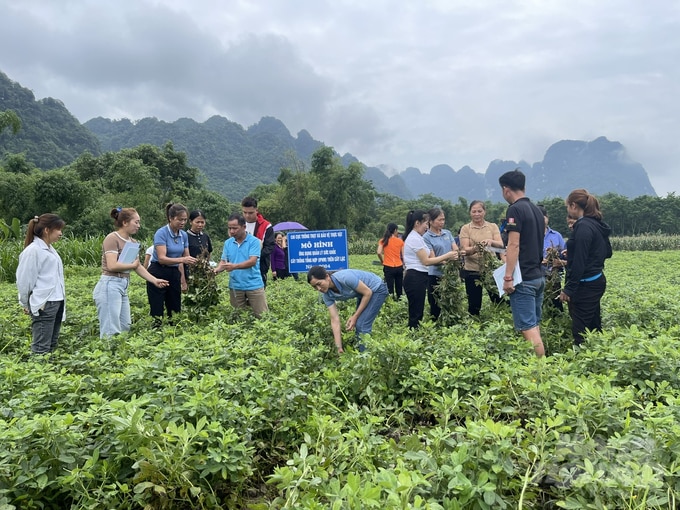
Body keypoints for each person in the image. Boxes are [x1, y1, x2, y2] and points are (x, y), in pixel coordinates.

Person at [93, 208, 169, 338]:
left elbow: (137, 266)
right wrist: (133, 265)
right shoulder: (112, 238)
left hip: (123, 285)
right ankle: (110, 355)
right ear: (125, 222)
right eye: (136, 222)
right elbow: (112, 265)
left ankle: (120, 354)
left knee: (125, 325)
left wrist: (154, 280)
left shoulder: (133, 242)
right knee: (111, 328)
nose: (139, 226)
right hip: (110, 284)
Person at [499, 169, 546, 357]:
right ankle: (537, 365)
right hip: (538, 276)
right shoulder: (536, 210)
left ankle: (543, 371)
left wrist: (508, 277)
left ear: (506, 189)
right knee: (534, 325)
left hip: (523, 278)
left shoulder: (515, 209)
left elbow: (513, 244)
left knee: (527, 328)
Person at [559, 189, 612, 346]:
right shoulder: (597, 224)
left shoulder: (582, 226)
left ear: (573, 206)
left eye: (568, 206)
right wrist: (575, 251)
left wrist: (568, 289)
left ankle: (583, 362)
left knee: (580, 331)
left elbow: (579, 262)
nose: (568, 210)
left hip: (586, 285)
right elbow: (607, 252)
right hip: (597, 280)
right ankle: (601, 353)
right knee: (594, 325)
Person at [307, 266, 388, 353]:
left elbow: (368, 293)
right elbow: (335, 320)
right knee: (359, 324)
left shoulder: (345, 278)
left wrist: (355, 316)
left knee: (362, 324)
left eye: (319, 284)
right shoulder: (327, 295)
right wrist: (339, 347)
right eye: (315, 287)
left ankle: (366, 357)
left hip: (376, 289)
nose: (319, 289)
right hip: (363, 293)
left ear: (327, 277)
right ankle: (361, 351)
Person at [16, 214, 66, 355]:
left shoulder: (50, 249)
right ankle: (39, 373)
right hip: (45, 303)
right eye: (58, 229)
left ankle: (48, 374)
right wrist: (25, 303)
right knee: (41, 348)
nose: (60, 233)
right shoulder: (33, 251)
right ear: (46, 230)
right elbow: (24, 281)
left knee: (51, 343)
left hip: (56, 301)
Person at [402, 210, 458, 329]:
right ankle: (413, 336)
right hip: (415, 277)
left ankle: (415, 334)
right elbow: (426, 261)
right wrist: (447, 256)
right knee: (416, 312)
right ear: (417, 223)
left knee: (418, 309)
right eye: (425, 223)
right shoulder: (414, 239)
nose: (426, 227)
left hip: (419, 276)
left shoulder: (417, 237)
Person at [147, 203, 197, 327]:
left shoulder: (183, 235)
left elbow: (186, 256)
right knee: (157, 307)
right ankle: (156, 331)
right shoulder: (161, 233)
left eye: (185, 220)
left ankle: (174, 331)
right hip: (158, 271)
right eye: (180, 219)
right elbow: (162, 258)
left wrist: (195, 265)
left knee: (175, 307)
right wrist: (183, 259)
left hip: (174, 272)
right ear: (171, 218)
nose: (183, 222)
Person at [215, 214, 269, 318]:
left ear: (244, 227)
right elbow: (223, 262)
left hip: (254, 285)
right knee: (239, 318)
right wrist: (216, 270)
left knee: (262, 317)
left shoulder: (254, 241)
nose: (232, 231)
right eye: (230, 228)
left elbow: (252, 261)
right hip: (235, 286)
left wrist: (234, 266)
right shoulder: (228, 243)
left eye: (235, 228)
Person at [459, 200, 505, 315]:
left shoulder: (492, 226)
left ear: (484, 212)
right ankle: (475, 324)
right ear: (470, 213)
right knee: (474, 304)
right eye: (474, 211)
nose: (477, 214)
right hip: (472, 270)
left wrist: (490, 241)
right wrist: (477, 248)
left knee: (498, 299)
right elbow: (465, 249)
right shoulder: (466, 228)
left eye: (479, 211)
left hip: (490, 269)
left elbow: (500, 244)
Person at [423, 208, 459, 319]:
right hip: (435, 274)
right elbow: (433, 258)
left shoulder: (447, 233)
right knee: (435, 302)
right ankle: (435, 323)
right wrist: (448, 259)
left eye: (443, 219)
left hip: (450, 274)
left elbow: (455, 249)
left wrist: (456, 255)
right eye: (439, 220)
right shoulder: (426, 237)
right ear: (431, 221)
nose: (442, 222)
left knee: (452, 301)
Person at [537, 205, 567, 310]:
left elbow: (564, 254)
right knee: (540, 304)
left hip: (554, 275)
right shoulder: (531, 235)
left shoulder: (556, 235)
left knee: (555, 303)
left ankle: (557, 321)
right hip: (536, 275)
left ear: (547, 218)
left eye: (543, 217)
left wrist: (559, 260)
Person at [241, 196, 275, 286]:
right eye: (245, 212)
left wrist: (254, 256)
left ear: (256, 210)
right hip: (240, 268)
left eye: (251, 213)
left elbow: (270, 246)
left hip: (259, 268)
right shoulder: (238, 224)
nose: (247, 215)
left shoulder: (266, 226)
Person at [376, 222, 404, 300]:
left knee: (389, 288)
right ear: (395, 230)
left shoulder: (383, 240)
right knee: (399, 288)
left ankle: (391, 303)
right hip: (399, 266)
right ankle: (400, 302)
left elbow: (378, 252)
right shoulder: (400, 241)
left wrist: (382, 261)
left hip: (388, 266)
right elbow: (404, 255)